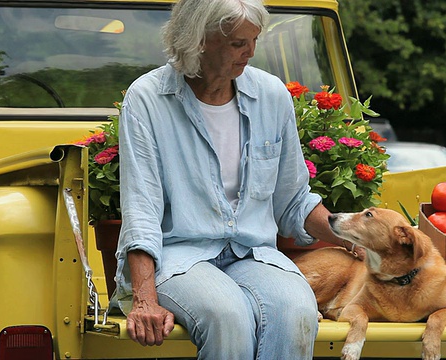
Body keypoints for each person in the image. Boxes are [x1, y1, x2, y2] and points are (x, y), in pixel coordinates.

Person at [111, 0, 348, 358]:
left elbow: (294, 201)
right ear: (199, 40)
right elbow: (141, 210)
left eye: (254, 40)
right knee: (227, 314)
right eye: (239, 43)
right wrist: (145, 300)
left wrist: (353, 239)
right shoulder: (147, 99)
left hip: (253, 254)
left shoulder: (272, 96)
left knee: (297, 310)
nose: (250, 52)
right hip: (178, 257)